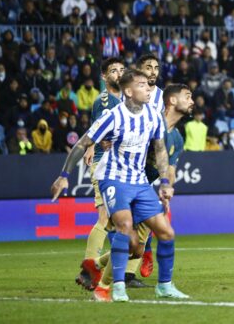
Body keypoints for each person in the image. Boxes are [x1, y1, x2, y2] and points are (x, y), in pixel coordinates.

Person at [50, 69, 188, 302]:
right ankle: (116, 288)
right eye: (142, 85)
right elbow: (83, 143)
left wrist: (165, 182)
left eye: (147, 85)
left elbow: (161, 149)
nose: (148, 88)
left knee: (164, 234)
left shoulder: (153, 116)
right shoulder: (113, 116)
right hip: (113, 178)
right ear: (128, 91)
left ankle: (164, 286)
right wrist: (64, 175)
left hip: (140, 181)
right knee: (125, 226)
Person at [84, 83, 194, 300]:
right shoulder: (147, 119)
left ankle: (96, 265)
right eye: (188, 96)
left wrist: (166, 186)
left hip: (144, 187)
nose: (193, 101)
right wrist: (99, 144)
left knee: (136, 248)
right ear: (172, 100)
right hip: (118, 182)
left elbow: (169, 167)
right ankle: (107, 286)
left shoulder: (178, 138)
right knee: (120, 231)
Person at [76, 57, 134, 289]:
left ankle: (113, 272)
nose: (118, 73)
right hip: (103, 162)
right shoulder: (104, 100)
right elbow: (97, 131)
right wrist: (96, 144)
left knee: (122, 221)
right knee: (104, 218)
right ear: (104, 76)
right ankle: (88, 271)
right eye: (113, 70)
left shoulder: (127, 100)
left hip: (121, 164)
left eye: (122, 69)